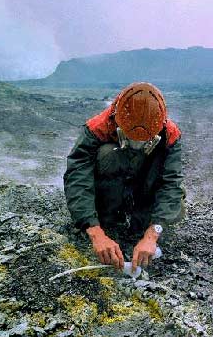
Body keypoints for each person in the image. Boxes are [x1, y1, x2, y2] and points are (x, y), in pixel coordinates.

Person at [63, 82, 185, 273]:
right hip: (109, 191)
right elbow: (78, 178)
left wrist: (152, 235)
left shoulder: (170, 135)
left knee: (172, 204)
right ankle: (107, 216)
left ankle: (140, 219)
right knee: (108, 154)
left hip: (141, 190)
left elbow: (171, 184)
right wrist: (95, 232)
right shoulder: (98, 128)